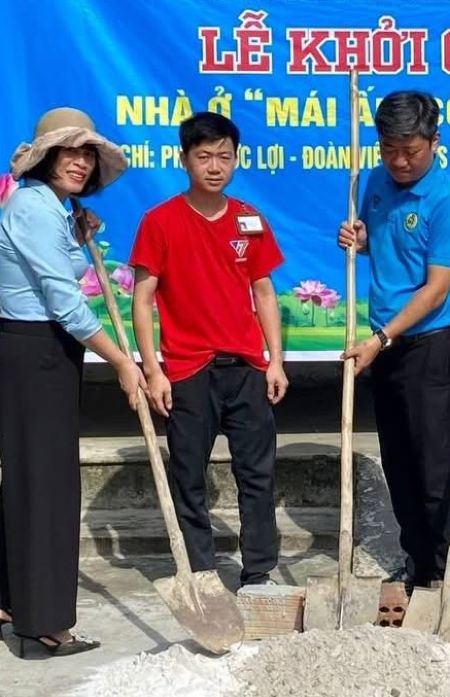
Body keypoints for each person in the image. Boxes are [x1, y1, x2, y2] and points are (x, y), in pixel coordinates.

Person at [0, 107, 147, 656]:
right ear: (46, 157)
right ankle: (44, 626)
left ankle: (11, 602)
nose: (79, 163)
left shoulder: (47, 209)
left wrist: (77, 237)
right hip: (36, 355)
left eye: (86, 155)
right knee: (48, 488)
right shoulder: (35, 209)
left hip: (35, 354)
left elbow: (44, 277)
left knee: (30, 480)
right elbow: (66, 306)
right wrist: (123, 362)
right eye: (68, 152)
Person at [130, 113, 287, 588]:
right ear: (184, 161)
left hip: (245, 368)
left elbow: (263, 292)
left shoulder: (250, 219)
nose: (214, 166)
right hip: (186, 371)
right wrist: (153, 371)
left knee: (257, 475)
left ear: (236, 160)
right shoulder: (160, 222)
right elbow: (142, 299)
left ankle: (258, 569)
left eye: (224, 156)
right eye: (204, 156)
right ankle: (200, 570)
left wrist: (275, 360)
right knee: (189, 478)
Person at [337, 91, 450, 592]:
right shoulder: (373, 181)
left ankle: (448, 571)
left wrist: (381, 336)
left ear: (434, 143)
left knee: (434, 463)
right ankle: (417, 562)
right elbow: (387, 246)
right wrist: (362, 240)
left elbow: (436, 286)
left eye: (410, 152)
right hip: (388, 344)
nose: (398, 162)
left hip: (427, 344)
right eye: (389, 149)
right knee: (397, 461)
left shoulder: (447, 201)